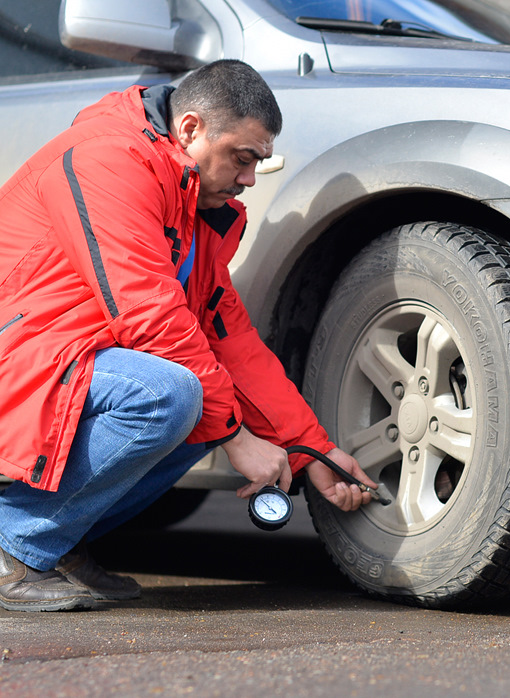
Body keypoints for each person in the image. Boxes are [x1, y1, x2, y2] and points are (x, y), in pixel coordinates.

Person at [0, 59, 377, 612]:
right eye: (242, 158)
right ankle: (17, 544)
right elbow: (147, 312)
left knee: (210, 405)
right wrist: (238, 439)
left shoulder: (194, 206)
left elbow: (233, 342)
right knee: (172, 396)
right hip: (20, 359)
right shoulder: (107, 158)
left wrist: (311, 450)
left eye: (258, 163)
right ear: (192, 129)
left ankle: (54, 542)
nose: (249, 179)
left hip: (63, 362)